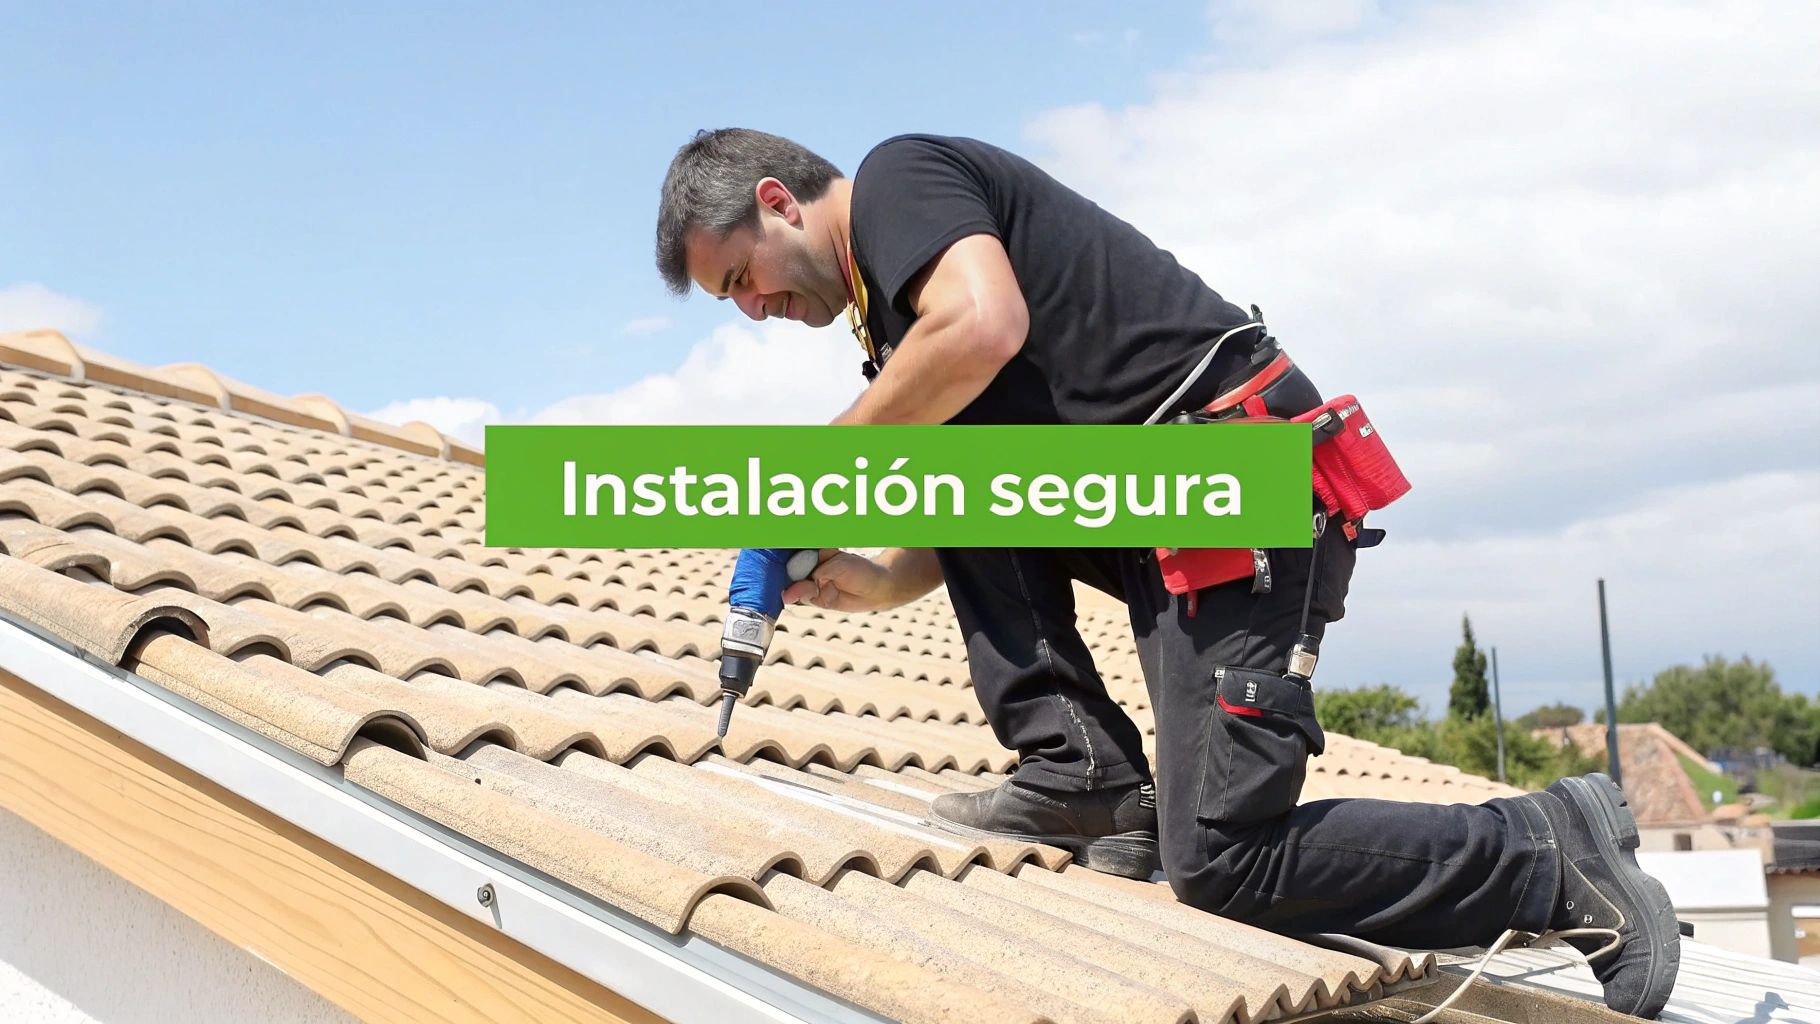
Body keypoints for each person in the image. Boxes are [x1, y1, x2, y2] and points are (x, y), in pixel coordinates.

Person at [653, 128, 1680, 1018]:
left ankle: (1545, 849)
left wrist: (809, 471)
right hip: (1156, 508)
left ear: (777, 203)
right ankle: (1080, 778)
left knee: (1225, 863)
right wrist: (880, 582)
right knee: (942, 454)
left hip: (1239, 491)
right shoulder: (893, 327)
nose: (751, 309)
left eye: (739, 276)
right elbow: (970, 483)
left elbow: (981, 324)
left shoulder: (896, 182)